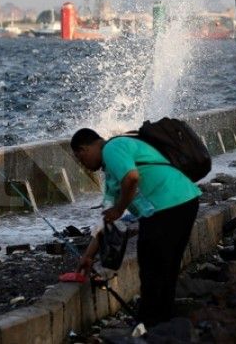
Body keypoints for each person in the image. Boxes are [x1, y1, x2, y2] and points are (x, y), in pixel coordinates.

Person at [71, 128, 201, 327]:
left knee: (152, 263)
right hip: (183, 201)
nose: (85, 166)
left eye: (81, 160)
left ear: (84, 149)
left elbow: (131, 178)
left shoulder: (112, 148)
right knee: (165, 266)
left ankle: (150, 323)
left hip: (168, 205)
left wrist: (119, 208)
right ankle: (162, 322)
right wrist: (88, 256)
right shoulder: (111, 174)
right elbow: (107, 221)